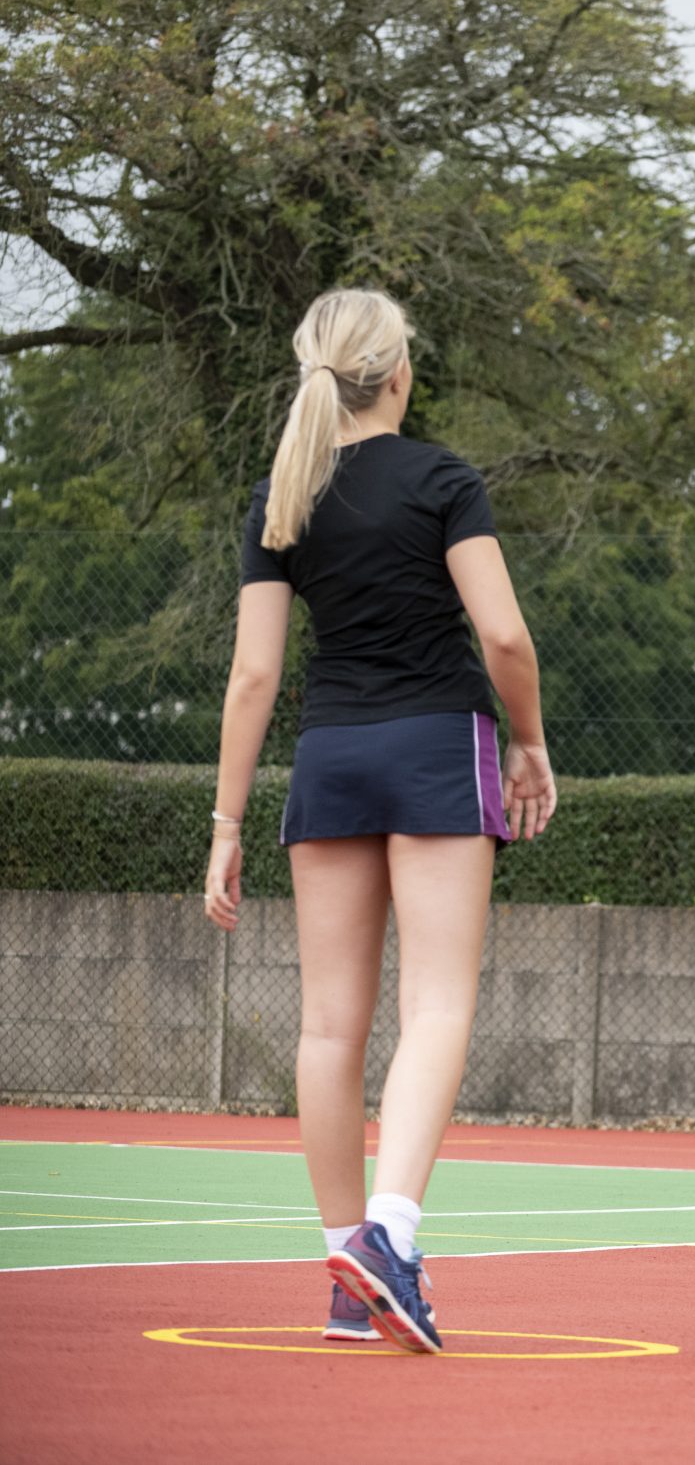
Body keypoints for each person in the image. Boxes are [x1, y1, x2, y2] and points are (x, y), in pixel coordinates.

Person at [202, 289, 555, 1354]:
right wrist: (531, 743)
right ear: (399, 373)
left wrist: (225, 825)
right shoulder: (443, 480)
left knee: (327, 1028)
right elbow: (504, 638)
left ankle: (346, 1278)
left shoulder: (281, 496)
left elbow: (254, 675)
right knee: (436, 1005)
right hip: (437, 743)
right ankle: (389, 1237)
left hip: (331, 758)